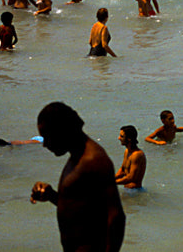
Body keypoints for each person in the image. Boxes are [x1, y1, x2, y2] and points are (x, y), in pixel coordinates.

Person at [31, 102, 125, 252]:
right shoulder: (77, 158)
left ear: (62, 131)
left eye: (47, 137)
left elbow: (116, 217)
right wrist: (52, 196)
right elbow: (82, 209)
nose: (45, 144)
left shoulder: (94, 161)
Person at [114, 125, 146, 190]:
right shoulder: (127, 151)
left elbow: (131, 178)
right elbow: (123, 170)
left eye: (122, 136)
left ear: (129, 139)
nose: (119, 138)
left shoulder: (137, 155)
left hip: (135, 192)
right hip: (127, 189)